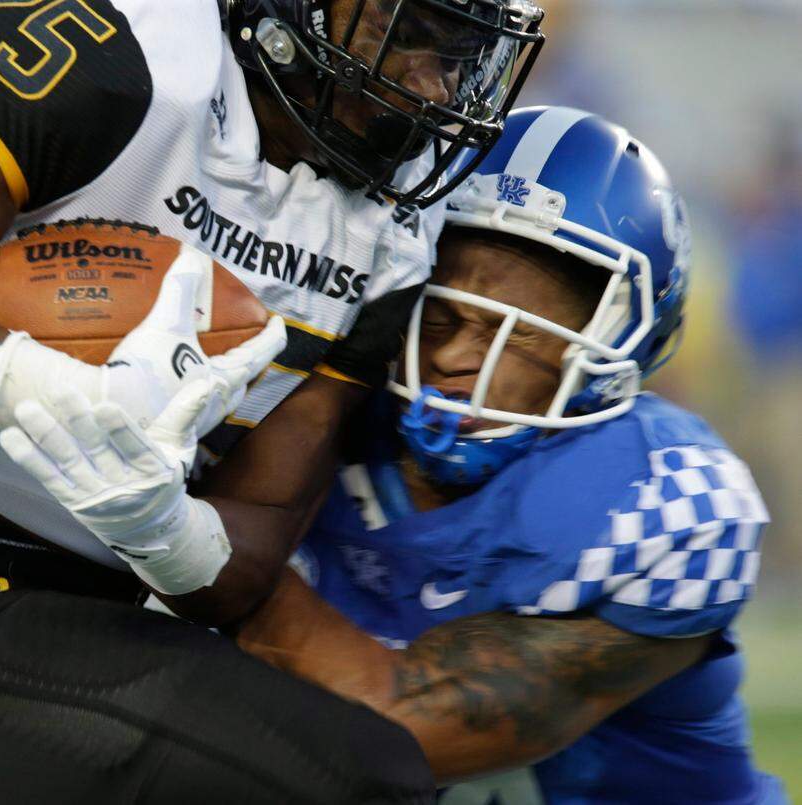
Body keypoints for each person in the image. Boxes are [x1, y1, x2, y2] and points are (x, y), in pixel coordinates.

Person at [0, 2, 545, 804]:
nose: (432, 85)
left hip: (108, 624)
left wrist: (168, 525)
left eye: (460, 53)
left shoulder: (396, 226)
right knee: (363, 779)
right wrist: (39, 388)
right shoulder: (126, 60)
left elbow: (255, 543)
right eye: (412, 35)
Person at [235, 106, 788, 804]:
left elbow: (408, 725)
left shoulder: (667, 497)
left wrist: (188, 538)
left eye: (514, 335)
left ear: (609, 348)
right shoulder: (316, 422)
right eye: (439, 314)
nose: (453, 354)